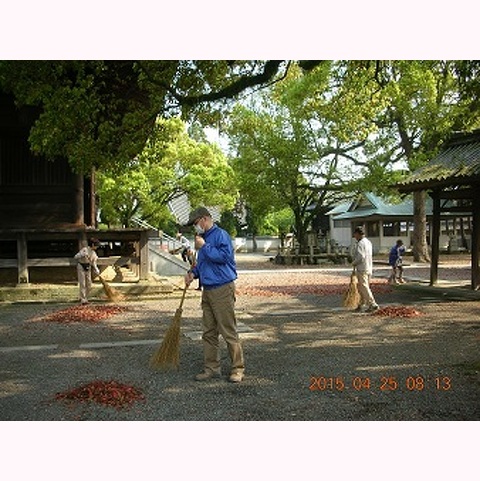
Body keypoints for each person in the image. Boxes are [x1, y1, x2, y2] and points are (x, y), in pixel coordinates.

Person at [184, 207, 245, 383]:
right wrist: (192, 273)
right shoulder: (203, 239)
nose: (195, 227)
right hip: (208, 289)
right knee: (208, 332)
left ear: (204, 219)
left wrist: (206, 246)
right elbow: (202, 263)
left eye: (196, 223)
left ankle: (237, 369)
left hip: (222, 288)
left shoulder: (220, 235)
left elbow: (226, 258)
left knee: (228, 330)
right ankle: (211, 368)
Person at [351, 226, 379, 312]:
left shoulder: (360, 243)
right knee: (363, 287)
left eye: (355, 234)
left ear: (357, 234)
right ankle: (361, 304)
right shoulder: (368, 242)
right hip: (369, 267)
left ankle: (372, 303)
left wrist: (354, 263)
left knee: (363, 287)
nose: (354, 236)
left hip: (362, 268)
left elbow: (360, 256)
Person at [74, 238, 101, 305]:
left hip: (88, 267)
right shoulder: (84, 249)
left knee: (89, 284)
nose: (97, 247)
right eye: (96, 246)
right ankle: (83, 300)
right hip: (81, 266)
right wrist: (81, 255)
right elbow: (75, 257)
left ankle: (85, 297)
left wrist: (96, 268)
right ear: (92, 244)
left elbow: (93, 262)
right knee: (82, 283)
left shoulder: (93, 253)